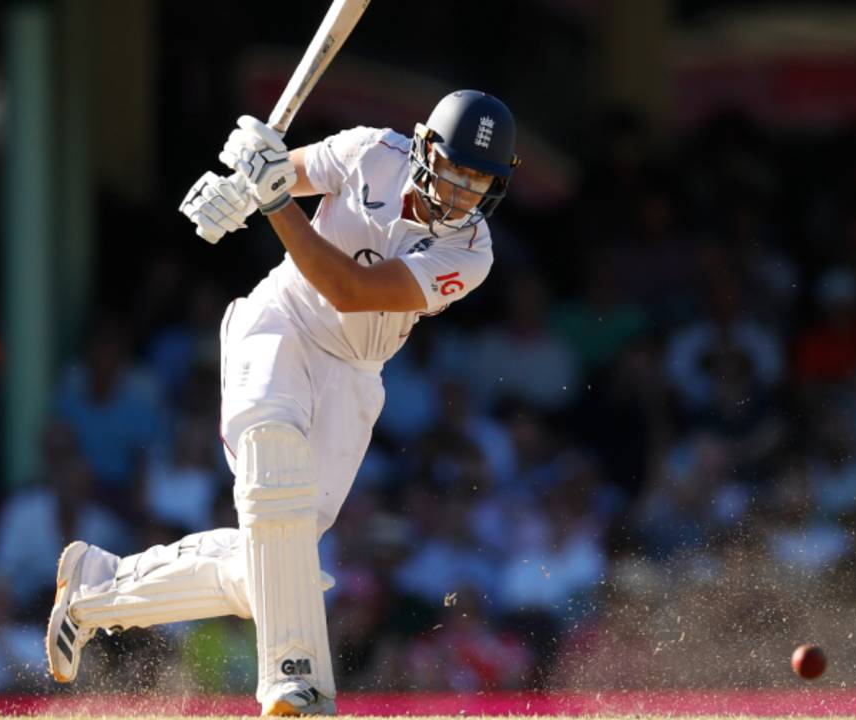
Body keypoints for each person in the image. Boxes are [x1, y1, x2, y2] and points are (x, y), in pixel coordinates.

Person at [45, 90, 519, 716]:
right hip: (282, 323)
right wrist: (244, 186)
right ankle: (295, 683)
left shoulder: (472, 251)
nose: (461, 193)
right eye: (455, 171)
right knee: (275, 471)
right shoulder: (371, 151)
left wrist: (268, 202)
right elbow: (286, 173)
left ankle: (96, 590)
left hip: (355, 371)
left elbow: (353, 290)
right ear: (426, 149)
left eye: (477, 181)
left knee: (275, 561)